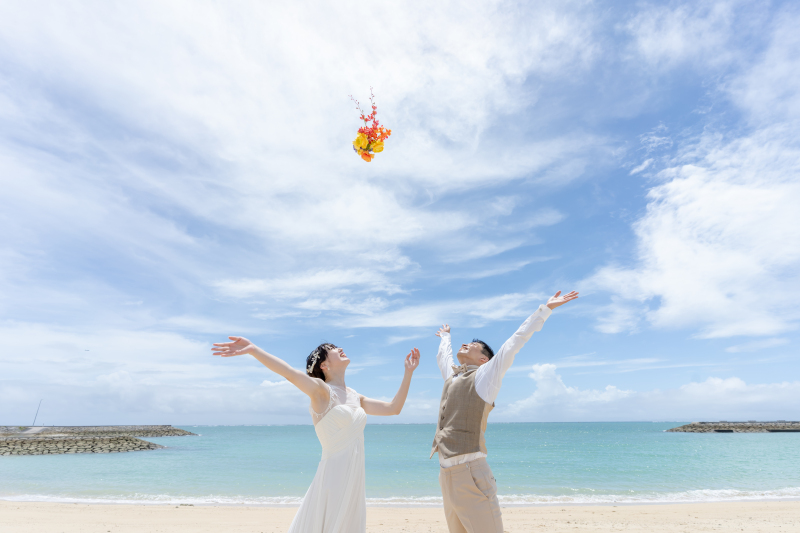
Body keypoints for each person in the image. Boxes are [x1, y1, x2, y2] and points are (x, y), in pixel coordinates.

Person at [212, 336, 420, 533]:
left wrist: (408, 373)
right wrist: (254, 350)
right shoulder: (321, 391)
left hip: (354, 478)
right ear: (324, 365)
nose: (339, 348)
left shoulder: (355, 396)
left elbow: (394, 408)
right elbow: (290, 374)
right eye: (332, 350)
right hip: (333, 478)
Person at [431, 290, 579, 533]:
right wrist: (445, 337)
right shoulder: (454, 377)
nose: (466, 344)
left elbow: (515, 341)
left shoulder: (485, 377)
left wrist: (545, 309)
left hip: (471, 474)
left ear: (484, 360)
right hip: (445, 476)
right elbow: (443, 358)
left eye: (475, 346)